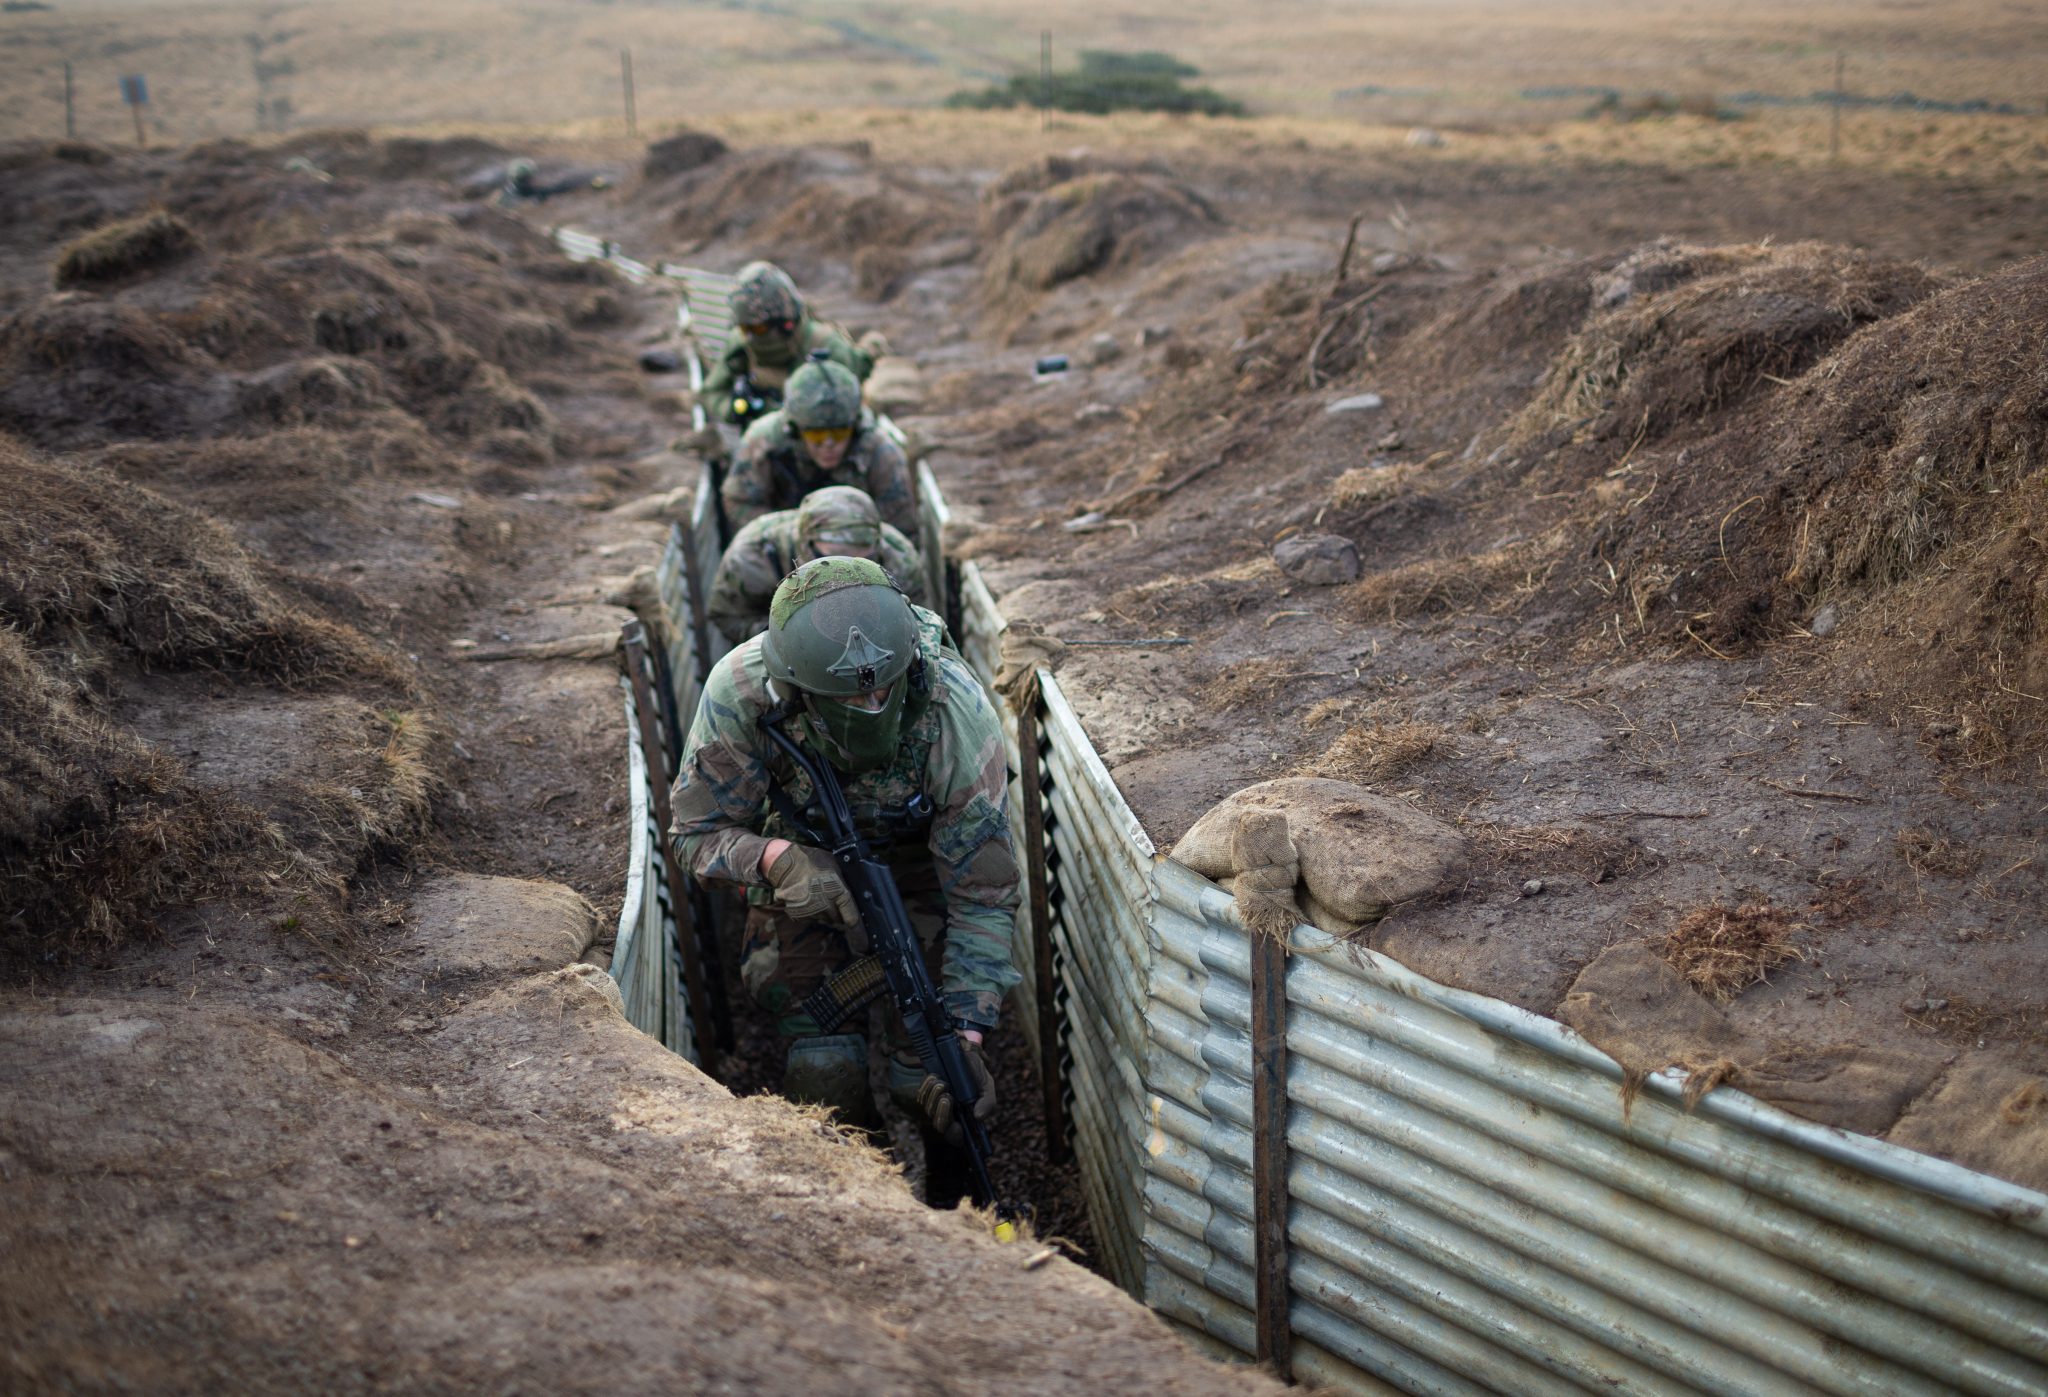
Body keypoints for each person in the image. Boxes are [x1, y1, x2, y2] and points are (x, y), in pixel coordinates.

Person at [669, 557, 1019, 1195]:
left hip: (924, 874)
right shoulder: (742, 696)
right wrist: (777, 861)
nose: (870, 704)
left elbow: (984, 894)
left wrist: (967, 1027)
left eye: (881, 687)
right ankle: (863, 1197)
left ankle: (951, 1199)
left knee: (936, 1080)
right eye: (848, 696)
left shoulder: (956, 714)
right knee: (825, 1075)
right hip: (802, 877)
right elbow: (695, 837)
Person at [721, 357, 918, 539]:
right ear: (797, 430)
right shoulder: (763, 443)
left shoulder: (880, 452)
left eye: (840, 434)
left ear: (854, 428)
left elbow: (900, 527)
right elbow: (740, 503)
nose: (828, 445)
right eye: (816, 435)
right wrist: (795, 535)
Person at [706, 486, 927, 647]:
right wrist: (782, 635)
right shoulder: (752, 557)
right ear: (805, 543)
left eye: (862, 560)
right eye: (831, 557)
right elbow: (727, 615)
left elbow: (917, 625)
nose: (844, 569)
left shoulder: (899, 560)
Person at [700, 261, 874, 428]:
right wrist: (734, 409)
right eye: (745, 329)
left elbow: (852, 408)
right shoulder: (740, 344)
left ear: (786, 324)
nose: (750, 336)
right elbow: (711, 392)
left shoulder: (827, 347)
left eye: (759, 329)